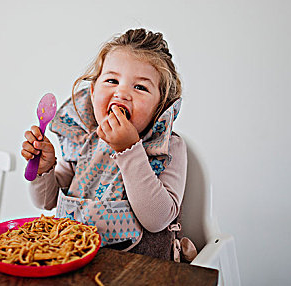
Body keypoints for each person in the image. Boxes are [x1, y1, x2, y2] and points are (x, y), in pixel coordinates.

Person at [21, 28, 189, 260]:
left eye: (140, 87)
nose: (122, 93)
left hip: (141, 270)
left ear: (160, 106)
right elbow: (46, 202)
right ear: (93, 91)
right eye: (111, 80)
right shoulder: (82, 139)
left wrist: (129, 151)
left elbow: (158, 219)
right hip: (76, 261)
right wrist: (44, 169)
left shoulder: (165, 148)